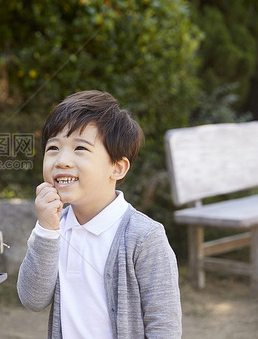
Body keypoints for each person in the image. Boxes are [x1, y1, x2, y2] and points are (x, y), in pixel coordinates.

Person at [17, 90, 181, 338]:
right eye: (53, 148)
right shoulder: (52, 228)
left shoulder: (144, 237)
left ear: (117, 167)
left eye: (80, 148)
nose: (61, 160)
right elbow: (33, 299)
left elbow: (164, 326)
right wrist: (46, 230)